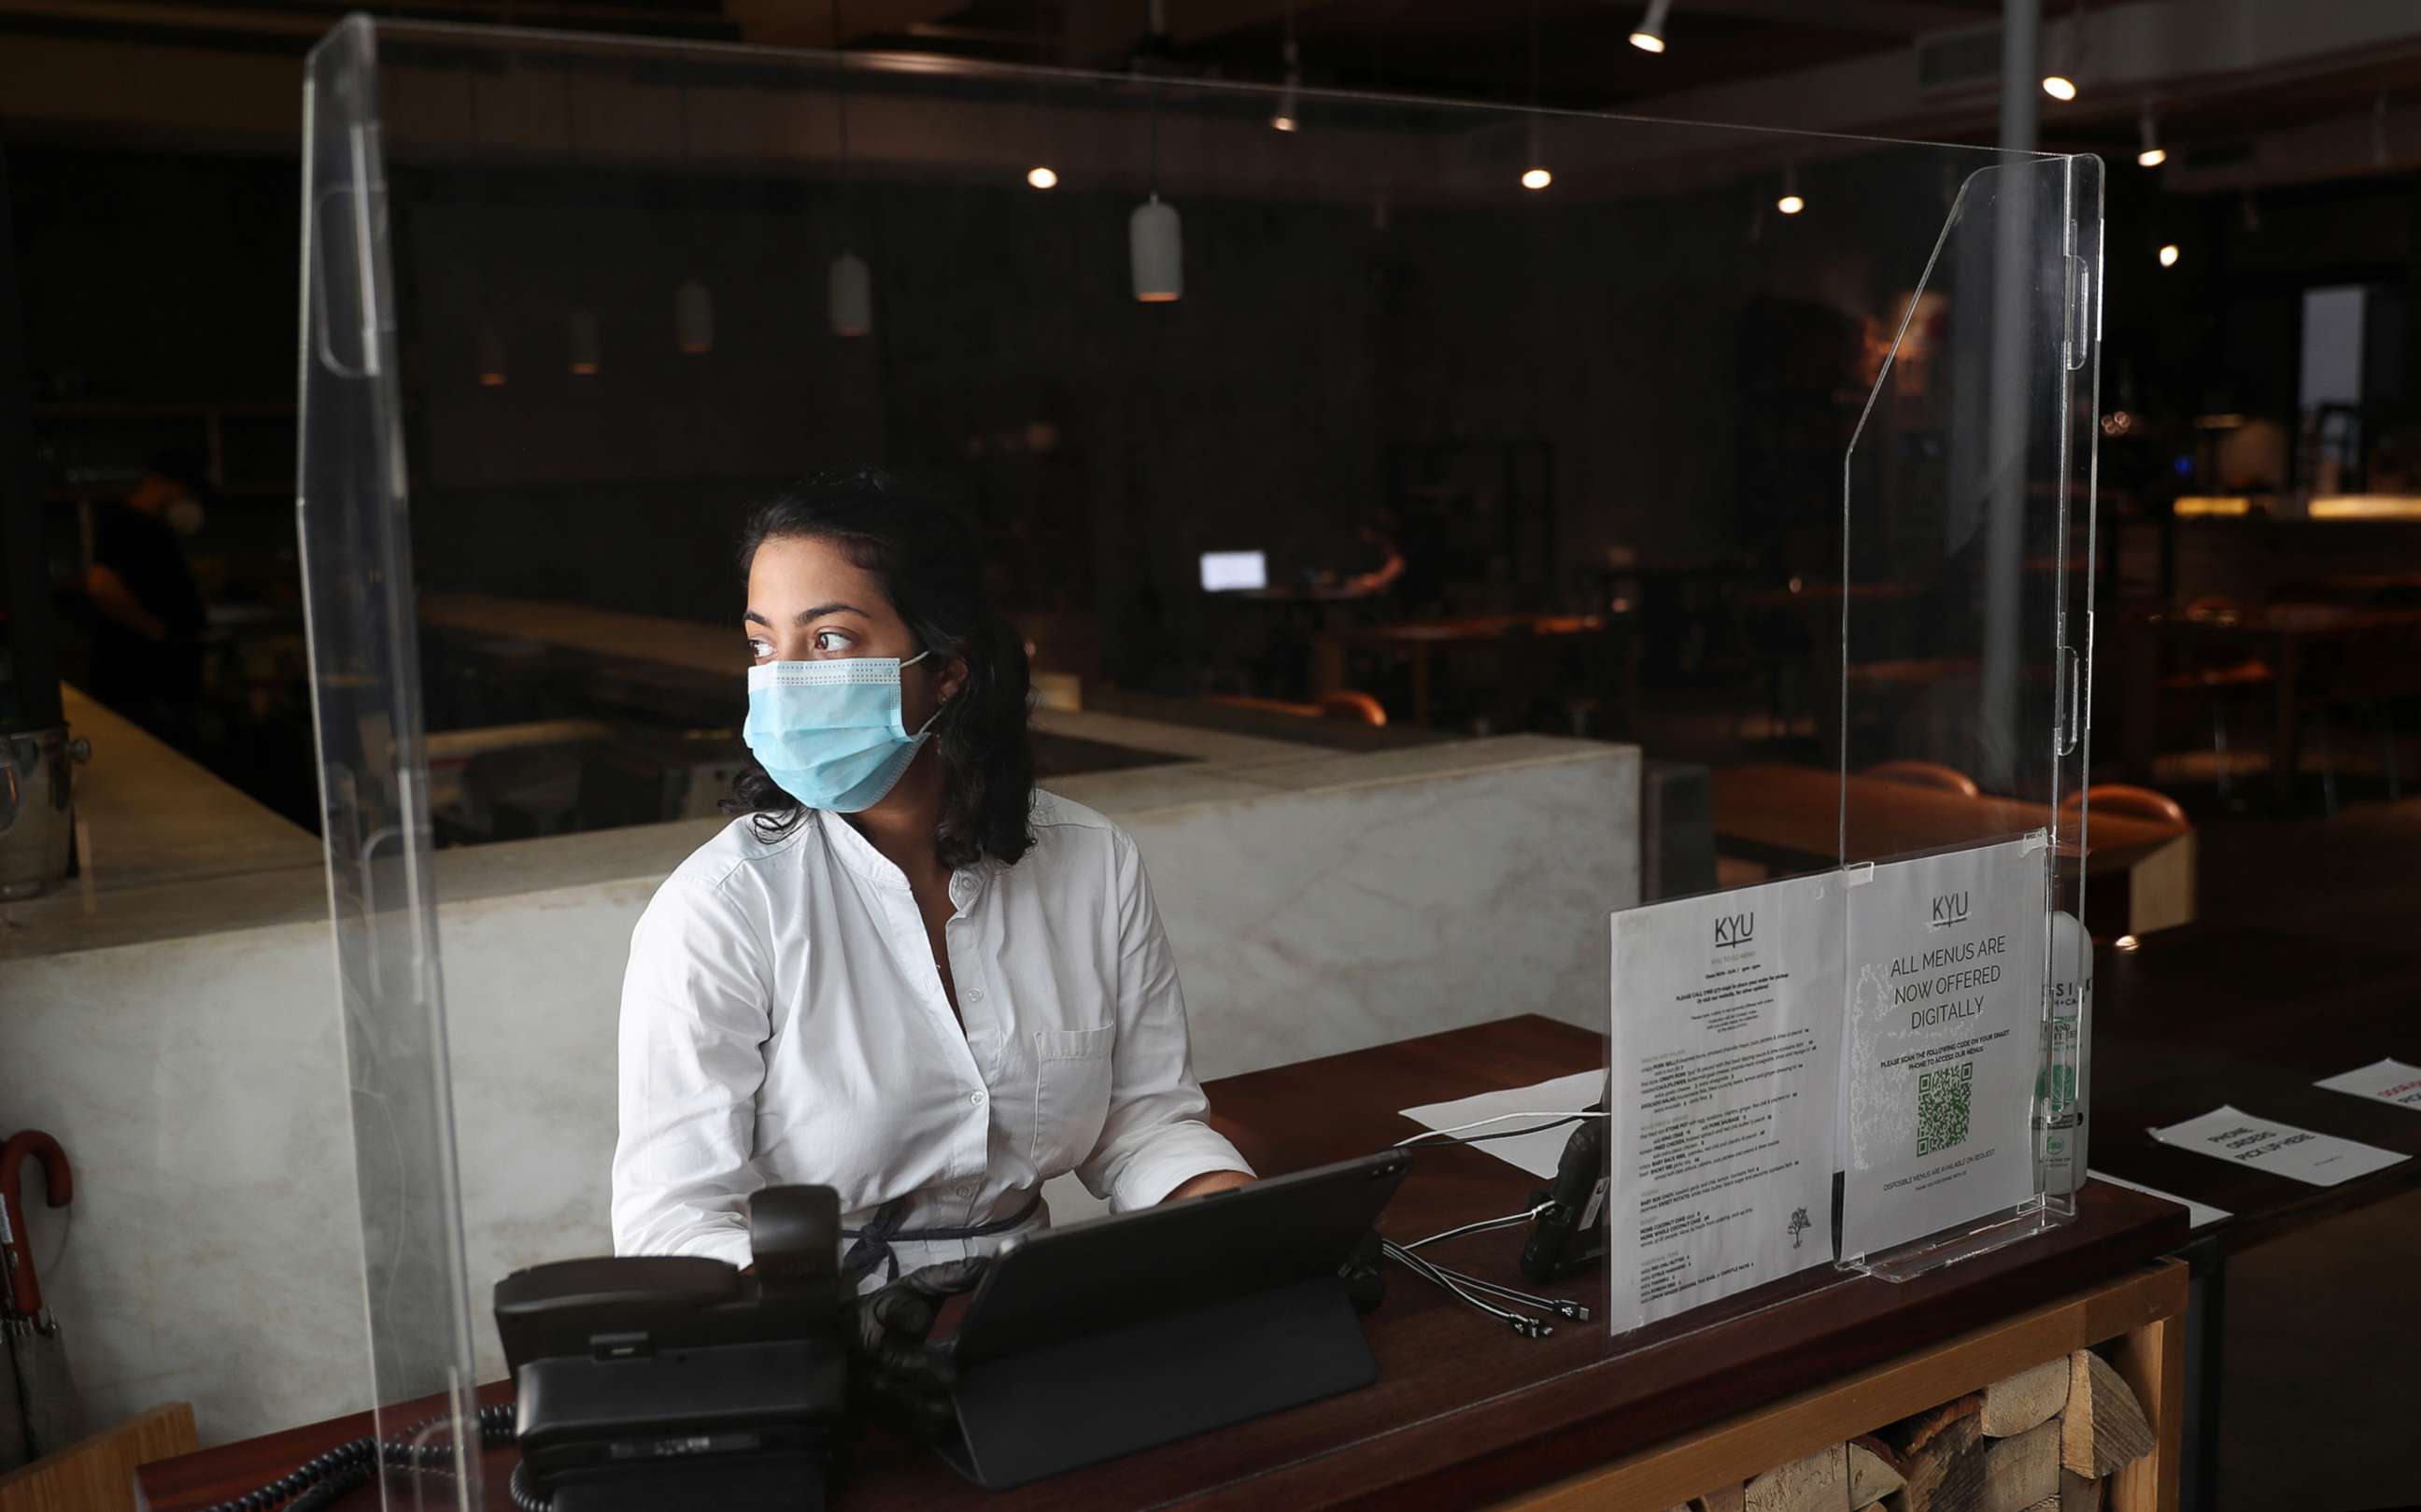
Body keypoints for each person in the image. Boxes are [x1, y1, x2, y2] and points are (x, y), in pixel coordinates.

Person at [612, 468, 1253, 1295]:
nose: (783, 677)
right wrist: (816, 1322)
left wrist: (1241, 1223)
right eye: (763, 644)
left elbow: (1143, 1123)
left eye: (830, 638)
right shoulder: (724, 906)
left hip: (1032, 1310)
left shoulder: (1093, 861)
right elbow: (673, 1218)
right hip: (826, 1322)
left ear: (946, 669)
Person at [84, 452, 208, 743]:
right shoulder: (125, 524)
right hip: (139, 683)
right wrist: (160, 633)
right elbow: (101, 586)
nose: (187, 501)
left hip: (159, 685)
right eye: (185, 492)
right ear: (162, 484)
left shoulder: (155, 528)